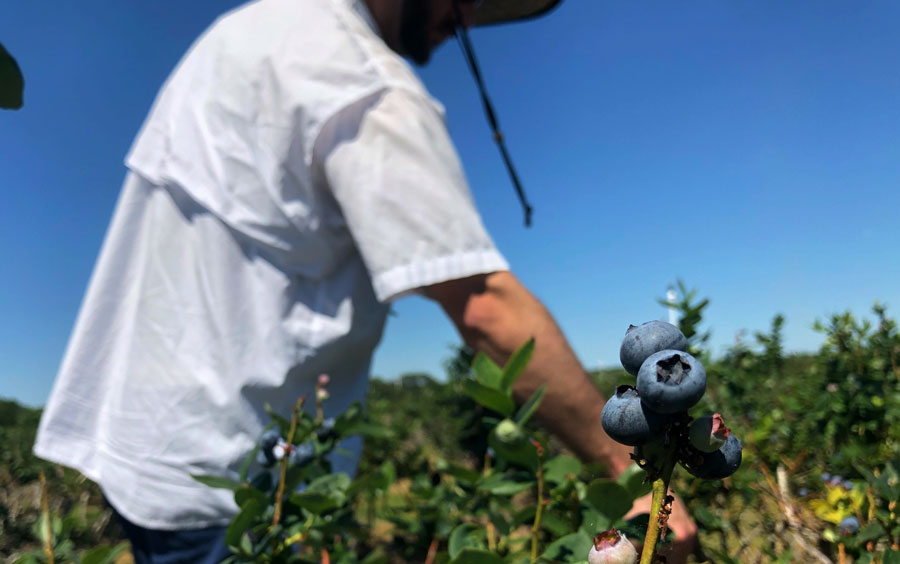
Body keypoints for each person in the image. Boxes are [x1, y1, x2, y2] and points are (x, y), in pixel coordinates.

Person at [34, 0, 698, 561]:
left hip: (147, 455)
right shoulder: (362, 81)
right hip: (234, 484)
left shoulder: (245, 33)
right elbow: (483, 306)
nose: (462, 21)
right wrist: (623, 467)